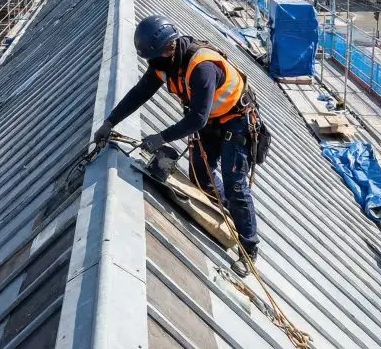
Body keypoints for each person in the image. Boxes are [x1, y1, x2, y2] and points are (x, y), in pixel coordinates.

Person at [93, 15, 260, 277]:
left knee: (234, 183)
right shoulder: (164, 63)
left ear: (170, 48)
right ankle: (228, 213)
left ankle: (248, 249)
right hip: (211, 123)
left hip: (235, 123)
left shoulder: (201, 67)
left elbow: (196, 118)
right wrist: (110, 122)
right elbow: (140, 93)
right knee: (199, 175)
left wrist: (161, 138)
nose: (154, 64)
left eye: (157, 58)